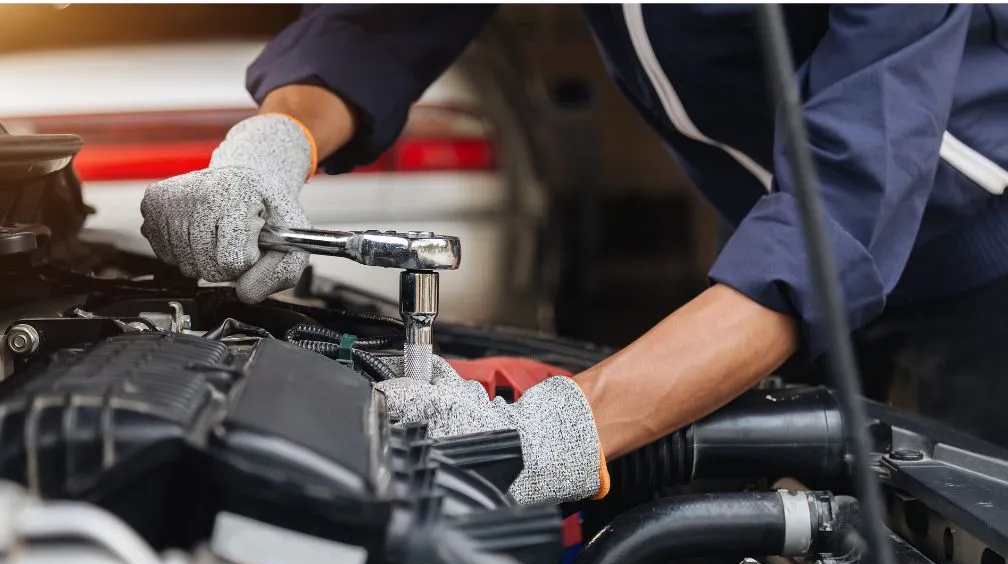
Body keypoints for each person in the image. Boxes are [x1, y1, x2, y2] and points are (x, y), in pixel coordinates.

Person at [140, 5, 1008, 505]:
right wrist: (273, 144)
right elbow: (380, 25)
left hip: (980, 250)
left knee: (962, 540)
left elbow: (849, 205)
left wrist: (560, 426)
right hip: (776, 237)